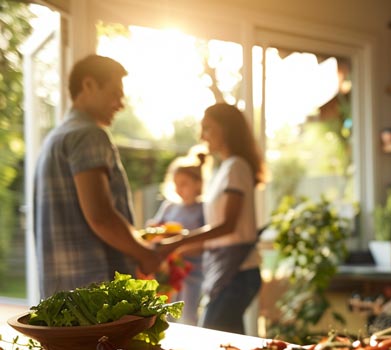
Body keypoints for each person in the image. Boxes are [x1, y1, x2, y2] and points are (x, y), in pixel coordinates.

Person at [34, 54, 162, 298]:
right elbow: (100, 216)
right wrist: (145, 254)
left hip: (64, 297)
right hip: (98, 300)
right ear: (89, 85)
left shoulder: (55, 138)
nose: (121, 103)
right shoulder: (89, 135)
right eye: (116, 92)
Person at [161, 103, 264, 334]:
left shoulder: (236, 167)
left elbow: (227, 226)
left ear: (225, 129)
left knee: (213, 336)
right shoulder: (225, 169)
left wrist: (178, 242)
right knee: (229, 346)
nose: (201, 136)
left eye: (207, 128)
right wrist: (176, 248)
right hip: (227, 270)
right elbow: (219, 237)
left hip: (238, 272)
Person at [148, 151, 207, 325]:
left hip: (193, 273)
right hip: (168, 273)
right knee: (167, 316)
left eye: (184, 184)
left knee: (188, 317)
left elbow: (203, 244)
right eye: (176, 184)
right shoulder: (169, 207)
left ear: (198, 184)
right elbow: (156, 230)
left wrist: (177, 244)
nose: (179, 189)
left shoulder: (203, 209)